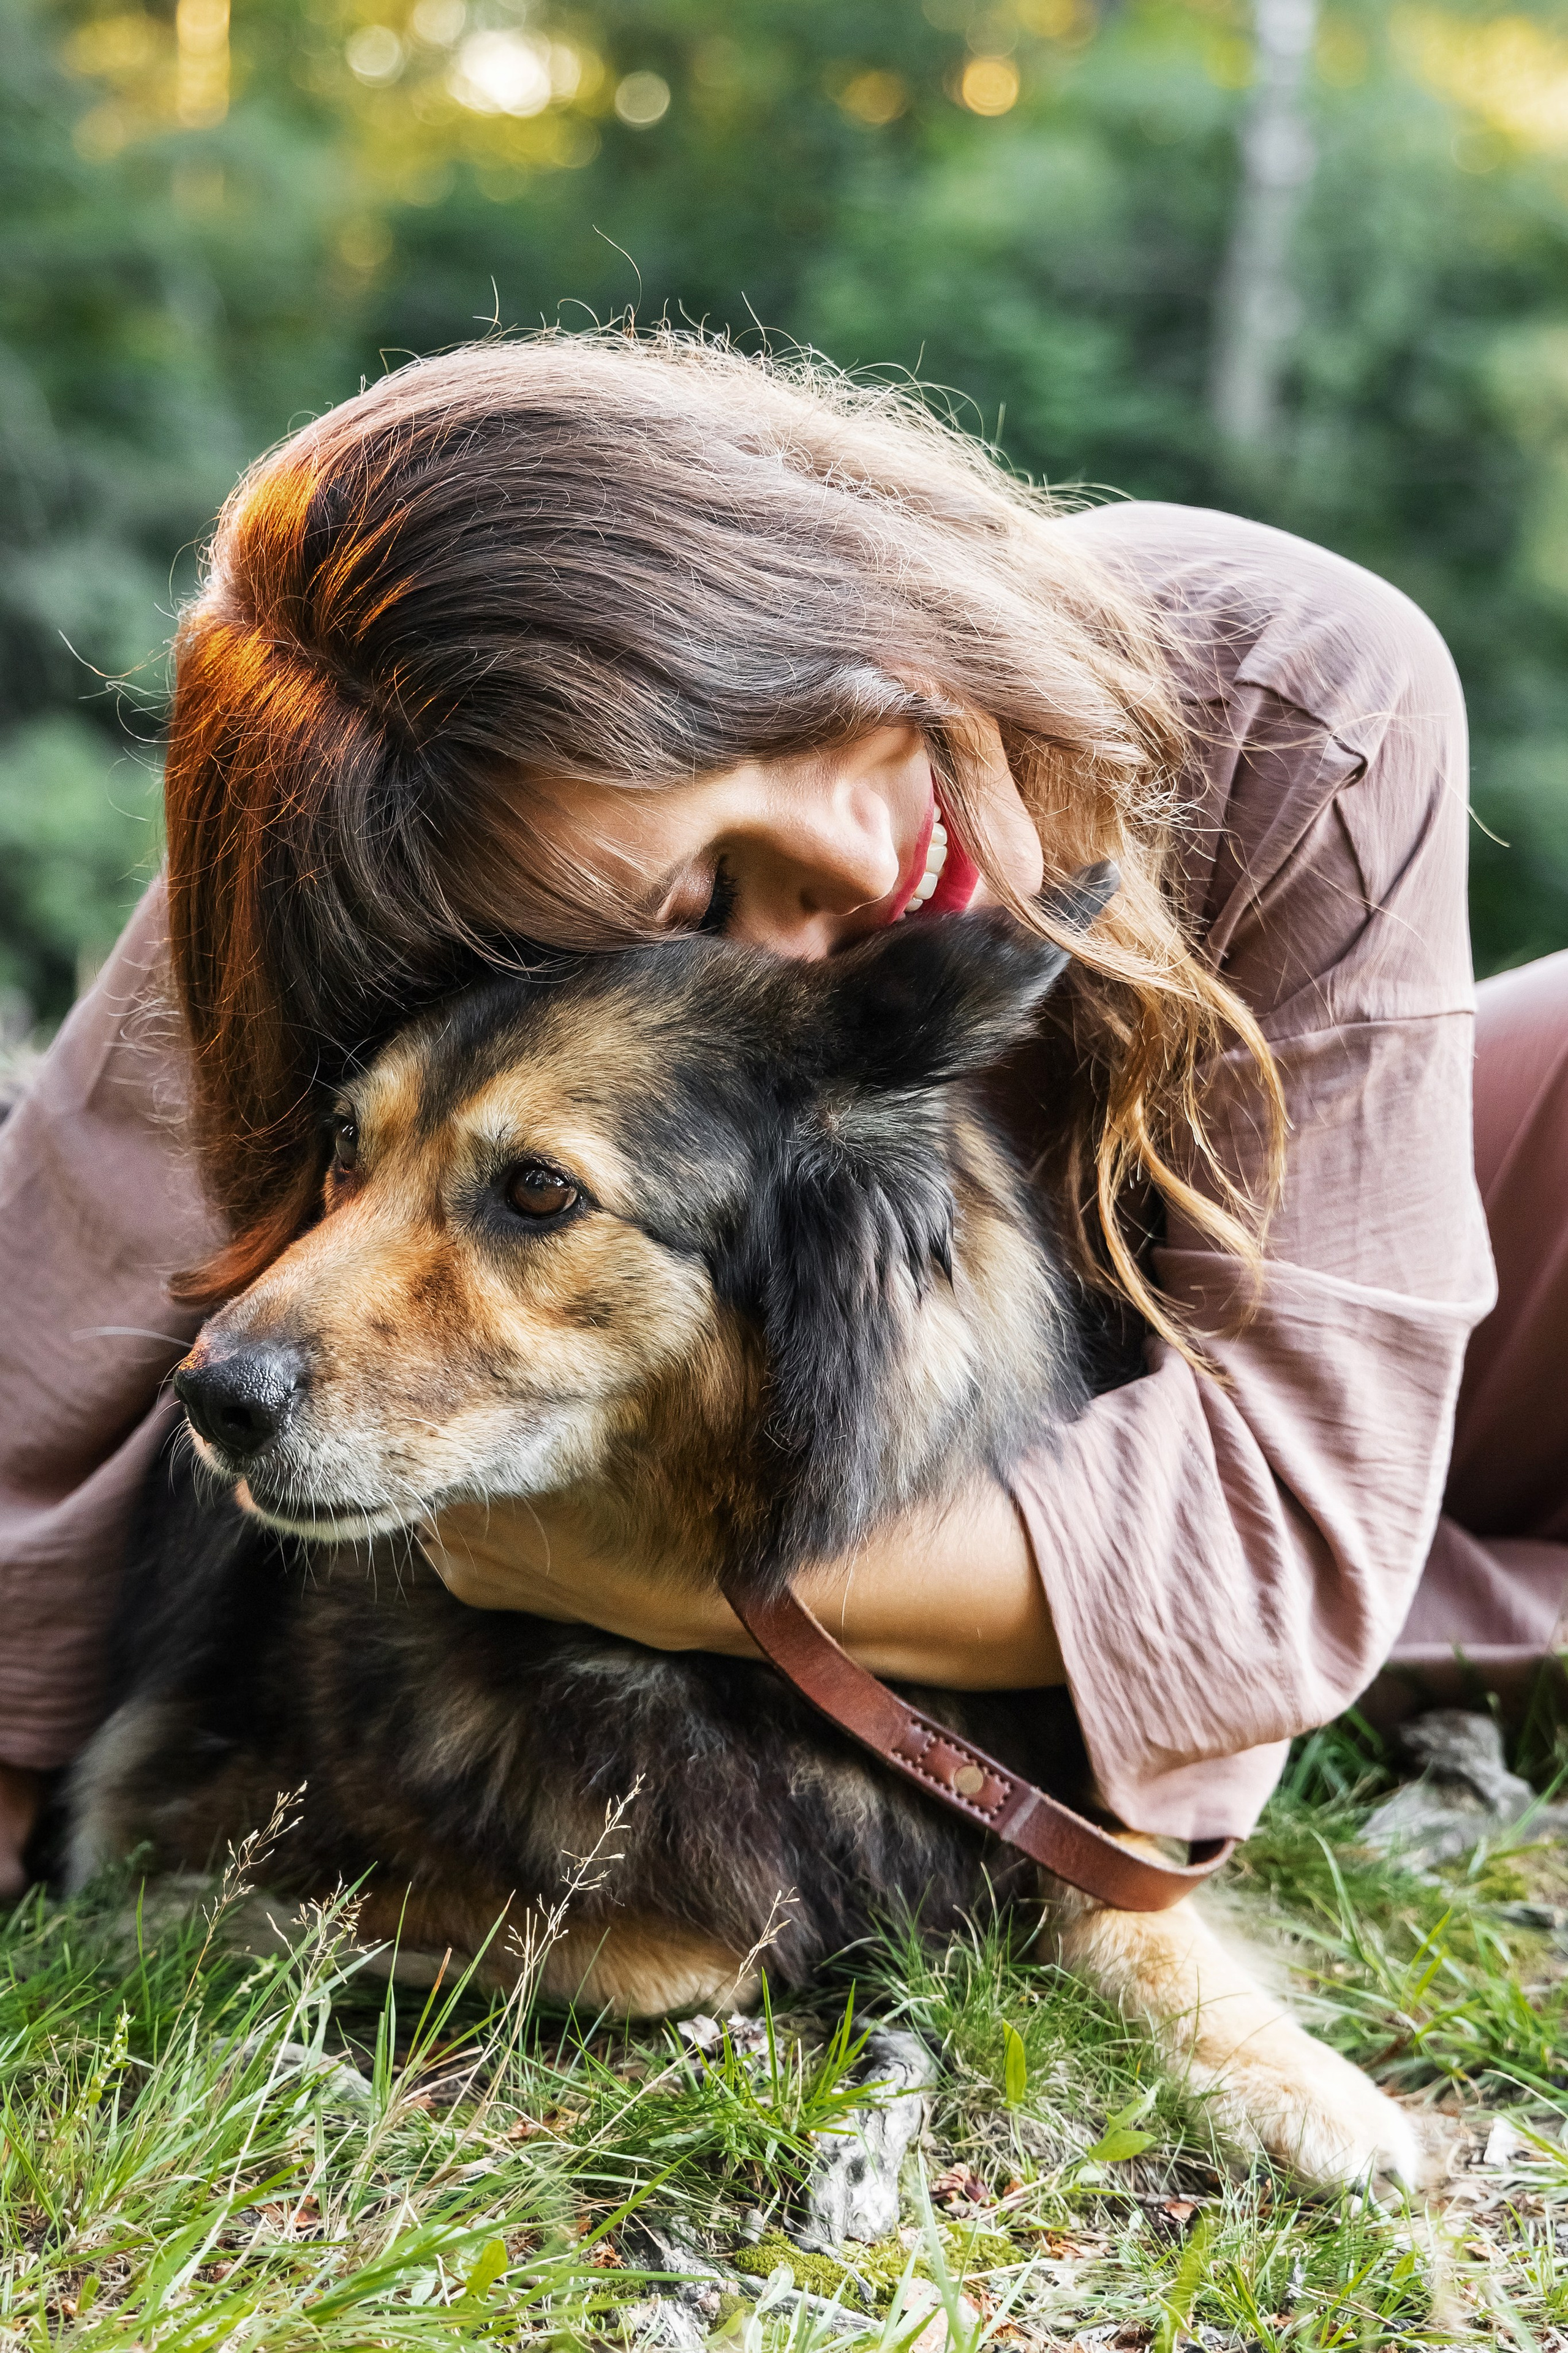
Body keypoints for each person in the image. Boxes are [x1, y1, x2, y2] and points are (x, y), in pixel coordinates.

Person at [1, 333, 1562, 1904]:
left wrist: (678, 1579)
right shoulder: (421, 825)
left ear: (812, 577)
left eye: (823, 717)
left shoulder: (1298, 687)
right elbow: (74, 1254)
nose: (853, 842)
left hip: (1249, 1303)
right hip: (954, 1437)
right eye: (695, 907)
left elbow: (1278, 1558)